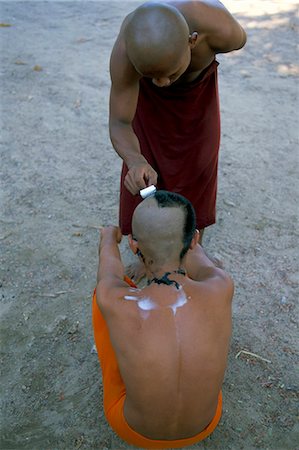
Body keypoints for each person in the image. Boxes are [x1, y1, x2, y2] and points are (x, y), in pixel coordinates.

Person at [92, 190, 234, 448]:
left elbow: (109, 273)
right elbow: (201, 260)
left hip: (133, 430)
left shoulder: (114, 300)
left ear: (134, 246)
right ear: (194, 241)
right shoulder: (221, 287)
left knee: (100, 301)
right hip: (206, 423)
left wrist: (108, 239)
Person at [109, 0, 247, 242]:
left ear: (192, 41)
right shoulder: (127, 50)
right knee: (143, 175)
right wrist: (134, 160)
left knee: (198, 168)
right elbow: (120, 123)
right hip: (148, 101)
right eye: (152, 75)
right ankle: (148, 254)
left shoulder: (221, 30)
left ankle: (192, 251)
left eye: (170, 73)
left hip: (196, 97)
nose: (162, 83)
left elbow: (240, 40)